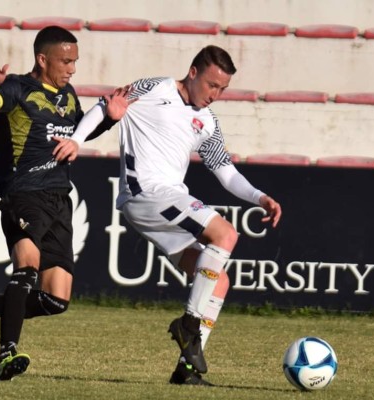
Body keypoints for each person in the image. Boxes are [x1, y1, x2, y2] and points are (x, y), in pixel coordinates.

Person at [53, 45, 282, 385]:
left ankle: (186, 369)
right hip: (146, 193)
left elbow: (224, 169)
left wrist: (259, 197)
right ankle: (188, 324)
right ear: (193, 73)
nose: (215, 95)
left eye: (222, 89)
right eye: (211, 85)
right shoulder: (153, 89)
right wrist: (76, 140)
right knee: (226, 234)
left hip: (167, 200)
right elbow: (106, 107)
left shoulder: (206, 121)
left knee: (219, 281)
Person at [0, 25, 130, 381]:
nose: (72, 68)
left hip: (60, 198)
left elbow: (77, 133)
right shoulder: (15, 88)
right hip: (22, 195)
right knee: (26, 269)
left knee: (55, 300)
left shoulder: (69, 95)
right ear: (42, 59)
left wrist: (108, 120)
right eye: (66, 61)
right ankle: (6, 355)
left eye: (75, 61)